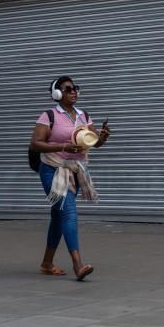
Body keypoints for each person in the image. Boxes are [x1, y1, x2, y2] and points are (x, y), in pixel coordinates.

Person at [28, 76, 110, 280]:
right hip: (53, 171)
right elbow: (35, 144)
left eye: (75, 88)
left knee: (58, 216)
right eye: (68, 89)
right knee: (69, 213)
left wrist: (103, 138)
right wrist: (62, 146)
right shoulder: (49, 116)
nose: (74, 91)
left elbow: (94, 143)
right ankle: (78, 265)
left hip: (75, 171)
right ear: (57, 94)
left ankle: (47, 263)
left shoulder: (84, 115)